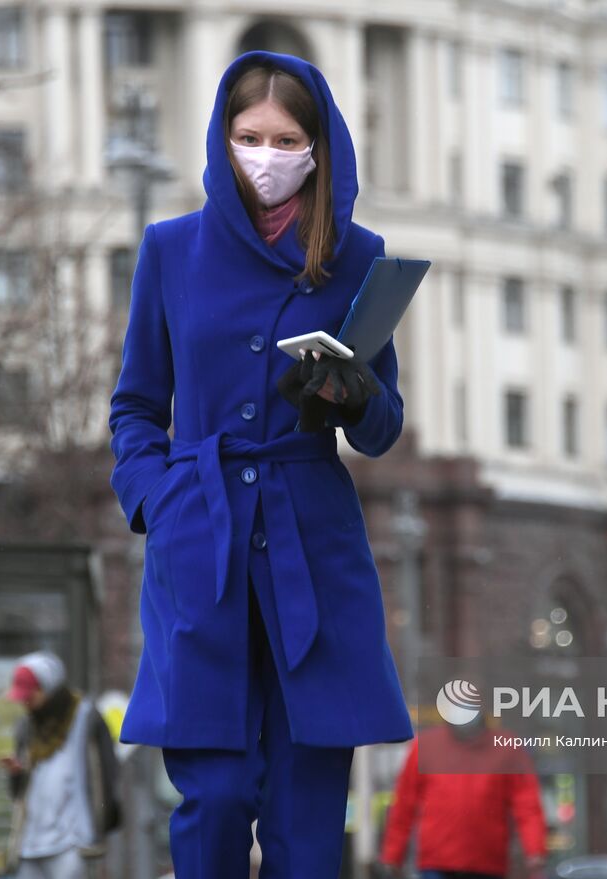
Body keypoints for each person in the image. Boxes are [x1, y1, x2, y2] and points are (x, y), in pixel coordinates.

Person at [105, 49, 414, 878]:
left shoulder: (357, 256)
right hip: (200, 540)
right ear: (222, 136)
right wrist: (157, 499)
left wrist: (349, 393)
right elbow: (136, 403)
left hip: (313, 544)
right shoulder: (171, 249)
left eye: (286, 139)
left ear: (318, 147)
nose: (267, 157)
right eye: (249, 136)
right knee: (212, 798)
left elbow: (384, 426)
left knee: (306, 813)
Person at [377, 709, 548, 879]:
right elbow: (405, 805)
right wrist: (393, 855)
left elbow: (526, 803)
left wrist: (535, 850)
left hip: (485, 863)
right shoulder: (427, 747)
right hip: (439, 862)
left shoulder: (506, 749)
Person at [1, 650, 121, 879]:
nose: (25, 702)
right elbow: (18, 792)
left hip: (70, 842)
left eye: (30, 694)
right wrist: (17, 772)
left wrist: (103, 822)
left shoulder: (86, 717)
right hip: (30, 843)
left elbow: (108, 770)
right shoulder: (27, 725)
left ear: (47, 688)